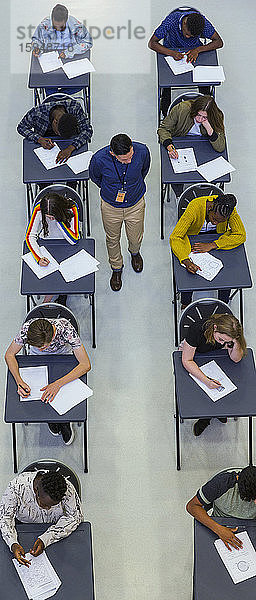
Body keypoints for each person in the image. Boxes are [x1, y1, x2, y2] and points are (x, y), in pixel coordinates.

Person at [5, 317, 91, 445]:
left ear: (52, 338)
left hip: (62, 358)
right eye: (36, 346)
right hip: (37, 361)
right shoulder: (27, 329)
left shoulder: (66, 328)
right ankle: (51, 419)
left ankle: (64, 421)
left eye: (43, 346)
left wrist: (57, 384)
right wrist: (19, 381)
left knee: (60, 392)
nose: (41, 349)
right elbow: (9, 355)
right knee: (40, 393)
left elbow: (85, 365)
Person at [89, 134, 151, 291]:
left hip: (135, 204)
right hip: (111, 207)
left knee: (136, 237)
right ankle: (116, 267)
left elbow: (144, 170)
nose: (129, 161)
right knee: (112, 239)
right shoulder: (99, 159)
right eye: (124, 160)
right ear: (112, 153)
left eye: (130, 156)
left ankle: (135, 253)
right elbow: (95, 177)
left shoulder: (142, 151)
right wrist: (111, 190)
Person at [169, 193, 246, 308]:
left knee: (227, 275)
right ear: (210, 208)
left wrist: (213, 244)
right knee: (188, 276)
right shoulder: (194, 207)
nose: (215, 223)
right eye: (214, 219)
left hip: (216, 240)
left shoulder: (229, 211)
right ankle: (186, 303)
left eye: (220, 221)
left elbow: (241, 234)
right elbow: (175, 237)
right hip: (192, 240)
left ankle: (223, 304)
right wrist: (186, 260)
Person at [148, 9, 223, 116]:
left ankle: (206, 109)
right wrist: (171, 53)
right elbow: (152, 43)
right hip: (172, 49)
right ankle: (166, 113)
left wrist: (198, 49)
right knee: (166, 84)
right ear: (184, 23)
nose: (187, 37)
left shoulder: (203, 23)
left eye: (191, 36)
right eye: (187, 34)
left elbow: (219, 42)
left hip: (194, 52)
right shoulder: (171, 21)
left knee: (204, 83)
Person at [181, 313, 246, 436]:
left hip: (217, 358)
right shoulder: (197, 329)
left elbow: (236, 359)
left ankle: (218, 412)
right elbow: (187, 360)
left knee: (226, 387)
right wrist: (206, 381)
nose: (223, 343)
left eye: (227, 341)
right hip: (196, 356)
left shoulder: (230, 336)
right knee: (201, 391)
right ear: (215, 327)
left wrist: (235, 340)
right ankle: (205, 418)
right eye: (221, 339)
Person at [0, 470, 83, 566]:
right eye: (44, 504)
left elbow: (74, 517)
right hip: (25, 527)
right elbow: (5, 517)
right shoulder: (16, 487)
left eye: (53, 505)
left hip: (56, 527)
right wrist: (13, 543)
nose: (48, 509)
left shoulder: (67, 490)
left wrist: (46, 539)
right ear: (36, 490)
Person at [157, 95, 226, 199]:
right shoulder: (182, 109)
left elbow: (220, 146)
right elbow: (163, 129)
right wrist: (169, 146)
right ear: (194, 110)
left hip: (202, 150)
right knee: (175, 178)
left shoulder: (217, 117)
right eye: (198, 115)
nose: (200, 119)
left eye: (205, 117)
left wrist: (210, 130)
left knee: (212, 178)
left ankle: (203, 197)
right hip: (180, 144)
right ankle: (179, 196)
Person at [25, 191, 80, 304]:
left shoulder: (72, 208)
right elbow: (30, 236)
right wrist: (38, 257)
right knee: (48, 269)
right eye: (47, 216)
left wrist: (60, 221)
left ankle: (60, 296)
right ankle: (48, 299)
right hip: (47, 243)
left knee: (66, 271)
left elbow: (73, 240)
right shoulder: (38, 209)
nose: (50, 219)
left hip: (66, 243)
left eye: (52, 216)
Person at [186, 466, 256, 550]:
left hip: (251, 525)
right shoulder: (221, 484)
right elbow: (192, 506)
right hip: (219, 524)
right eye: (253, 498)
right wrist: (218, 529)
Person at [32, 3, 93, 95]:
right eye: (55, 26)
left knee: (80, 84)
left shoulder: (75, 25)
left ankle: (60, 97)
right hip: (52, 61)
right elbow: (37, 39)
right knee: (49, 86)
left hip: (70, 59)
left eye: (61, 27)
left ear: (66, 20)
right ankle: (57, 100)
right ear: (52, 18)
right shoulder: (45, 24)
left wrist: (69, 52)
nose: (57, 29)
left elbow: (88, 41)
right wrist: (37, 47)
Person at [17, 97, 92, 164]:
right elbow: (21, 127)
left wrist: (71, 148)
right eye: (58, 133)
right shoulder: (37, 113)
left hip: (71, 142)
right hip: (45, 146)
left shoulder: (75, 108)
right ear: (55, 122)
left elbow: (88, 130)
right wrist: (39, 139)